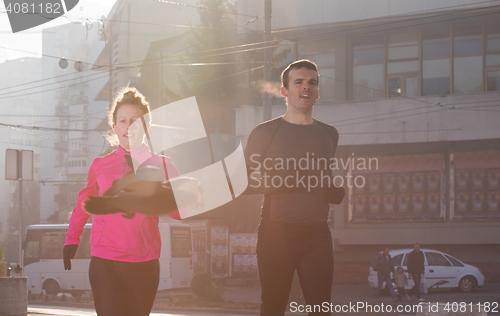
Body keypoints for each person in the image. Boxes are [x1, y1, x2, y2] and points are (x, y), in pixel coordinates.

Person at [63, 87, 181, 316]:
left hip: (144, 263)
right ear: (115, 127)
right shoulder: (100, 165)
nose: (129, 127)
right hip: (104, 263)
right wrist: (71, 239)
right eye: (123, 121)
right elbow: (83, 205)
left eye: (135, 121)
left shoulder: (163, 165)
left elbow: (180, 212)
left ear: (146, 125)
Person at [244, 59, 344, 316]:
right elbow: (241, 183)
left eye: (312, 82)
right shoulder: (266, 133)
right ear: (285, 91)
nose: (306, 87)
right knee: (273, 309)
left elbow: (322, 178)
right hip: (276, 235)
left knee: (321, 310)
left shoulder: (329, 134)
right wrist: (286, 179)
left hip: (317, 236)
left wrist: (333, 190)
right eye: (298, 82)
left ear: (318, 92)